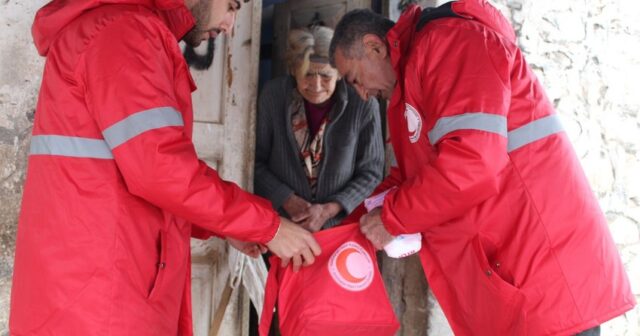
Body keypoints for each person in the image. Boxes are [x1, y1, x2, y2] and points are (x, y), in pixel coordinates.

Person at [10, 0, 321, 334]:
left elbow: (139, 176)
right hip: (104, 300)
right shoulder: (124, 33)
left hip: (97, 289)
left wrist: (229, 226)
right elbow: (159, 170)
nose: (230, 25)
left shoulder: (120, 29)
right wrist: (267, 226)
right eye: (231, 6)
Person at [329, 1, 635, 335]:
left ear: (374, 47)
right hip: (513, 275)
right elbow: (410, 181)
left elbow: (472, 164)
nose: (362, 94)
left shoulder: (451, 42)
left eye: (354, 78)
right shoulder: (412, 82)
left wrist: (391, 219)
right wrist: (340, 233)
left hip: (540, 274)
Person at [254, 26, 384, 233]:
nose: (316, 85)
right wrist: (287, 199)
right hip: (284, 225)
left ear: (340, 73)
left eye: (325, 76)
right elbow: (254, 162)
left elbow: (371, 172)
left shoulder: (362, 103)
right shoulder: (274, 95)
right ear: (293, 71)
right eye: (307, 74)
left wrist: (328, 210)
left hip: (340, 227)